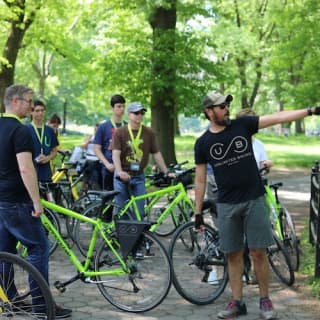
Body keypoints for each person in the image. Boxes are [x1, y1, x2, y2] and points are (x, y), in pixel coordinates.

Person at [194, 90, 320, 320]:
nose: (226, 109)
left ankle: (265, 300)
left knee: (258, 252)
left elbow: (278, 117)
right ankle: (237, 302)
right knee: (233, 255)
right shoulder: (203, 143)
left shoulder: (243, 125)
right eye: (221, 106)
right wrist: (198, 211)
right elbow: (200, 179)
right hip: (226, 205)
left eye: (226, 105)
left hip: (253, 199)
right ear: (209, 112)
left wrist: (311, 111)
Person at [0, 84, 72, 318]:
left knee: (5, 252)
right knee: (38, 248)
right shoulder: (20, 131)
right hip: (19, 201)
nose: (32, 106)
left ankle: (10, 300)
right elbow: (25, 168)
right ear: (15, 101)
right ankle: (43, 306)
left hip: (1, 201)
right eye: (29, 101)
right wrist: (36, 201)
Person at [112, 102, 170, 219]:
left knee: (139, 213)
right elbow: (115, 154)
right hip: (122, 176)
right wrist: (119, 171)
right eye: (136, 113)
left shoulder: (148, 132)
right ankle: (120, 236)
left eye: (142, 113)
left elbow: (156, 153)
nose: (139, 115)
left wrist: (166, 172)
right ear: (129, 115)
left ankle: (136, 236)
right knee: (122, 212)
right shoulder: (120, 132)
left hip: (139, 176)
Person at [94, 94, 126, 190]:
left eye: (124, 106)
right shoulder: (103, 127)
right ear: (112, 108)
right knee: (109, 202)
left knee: (126, 201)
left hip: (125, 169)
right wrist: (107, 164)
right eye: (119, 106)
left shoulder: (128, 126)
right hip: (109, 169)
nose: (122, 109)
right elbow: (97, 149)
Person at [27, 100, 58, 182]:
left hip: (46, 172)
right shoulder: (25, 129)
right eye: (37, 111)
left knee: (47, 194)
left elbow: (54, 151)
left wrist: (48, 158)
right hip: (31, 170)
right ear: (31, 112)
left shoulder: (50, 130)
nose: (40, 113)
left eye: (42, 110)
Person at [80, 123, 101, 190]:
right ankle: (87, 186)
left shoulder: (102, 138)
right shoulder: (90, 137)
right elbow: (82, 146)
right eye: (95, 129)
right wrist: (88, 142)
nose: (96, 131)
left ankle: (92, 184)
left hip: (97, 159)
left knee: (93, 167)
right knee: (90, 166)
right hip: (89, 158)